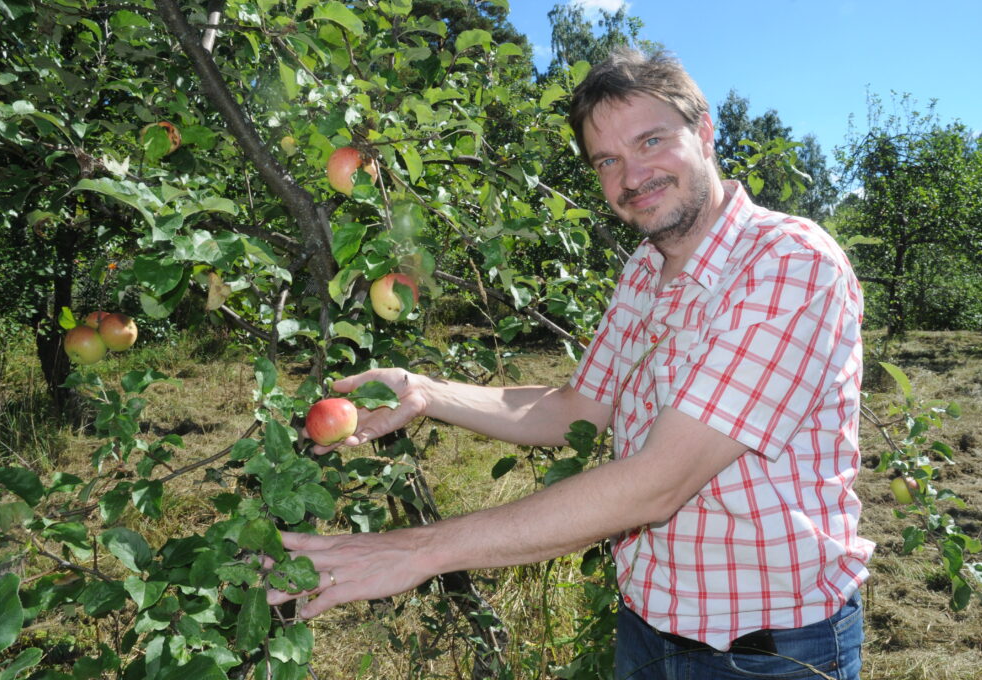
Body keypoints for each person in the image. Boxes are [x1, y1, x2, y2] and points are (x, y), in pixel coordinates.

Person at [267, 48, 874, 680]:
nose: (631, 175)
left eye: (651, 141)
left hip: (769, 651)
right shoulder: (645, 270)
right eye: (608, 160)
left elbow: (656, 483)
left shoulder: (788, 265)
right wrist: (425, 391)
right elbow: (574, 408)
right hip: (649, 627)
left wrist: (416, 550)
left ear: (705, 132)